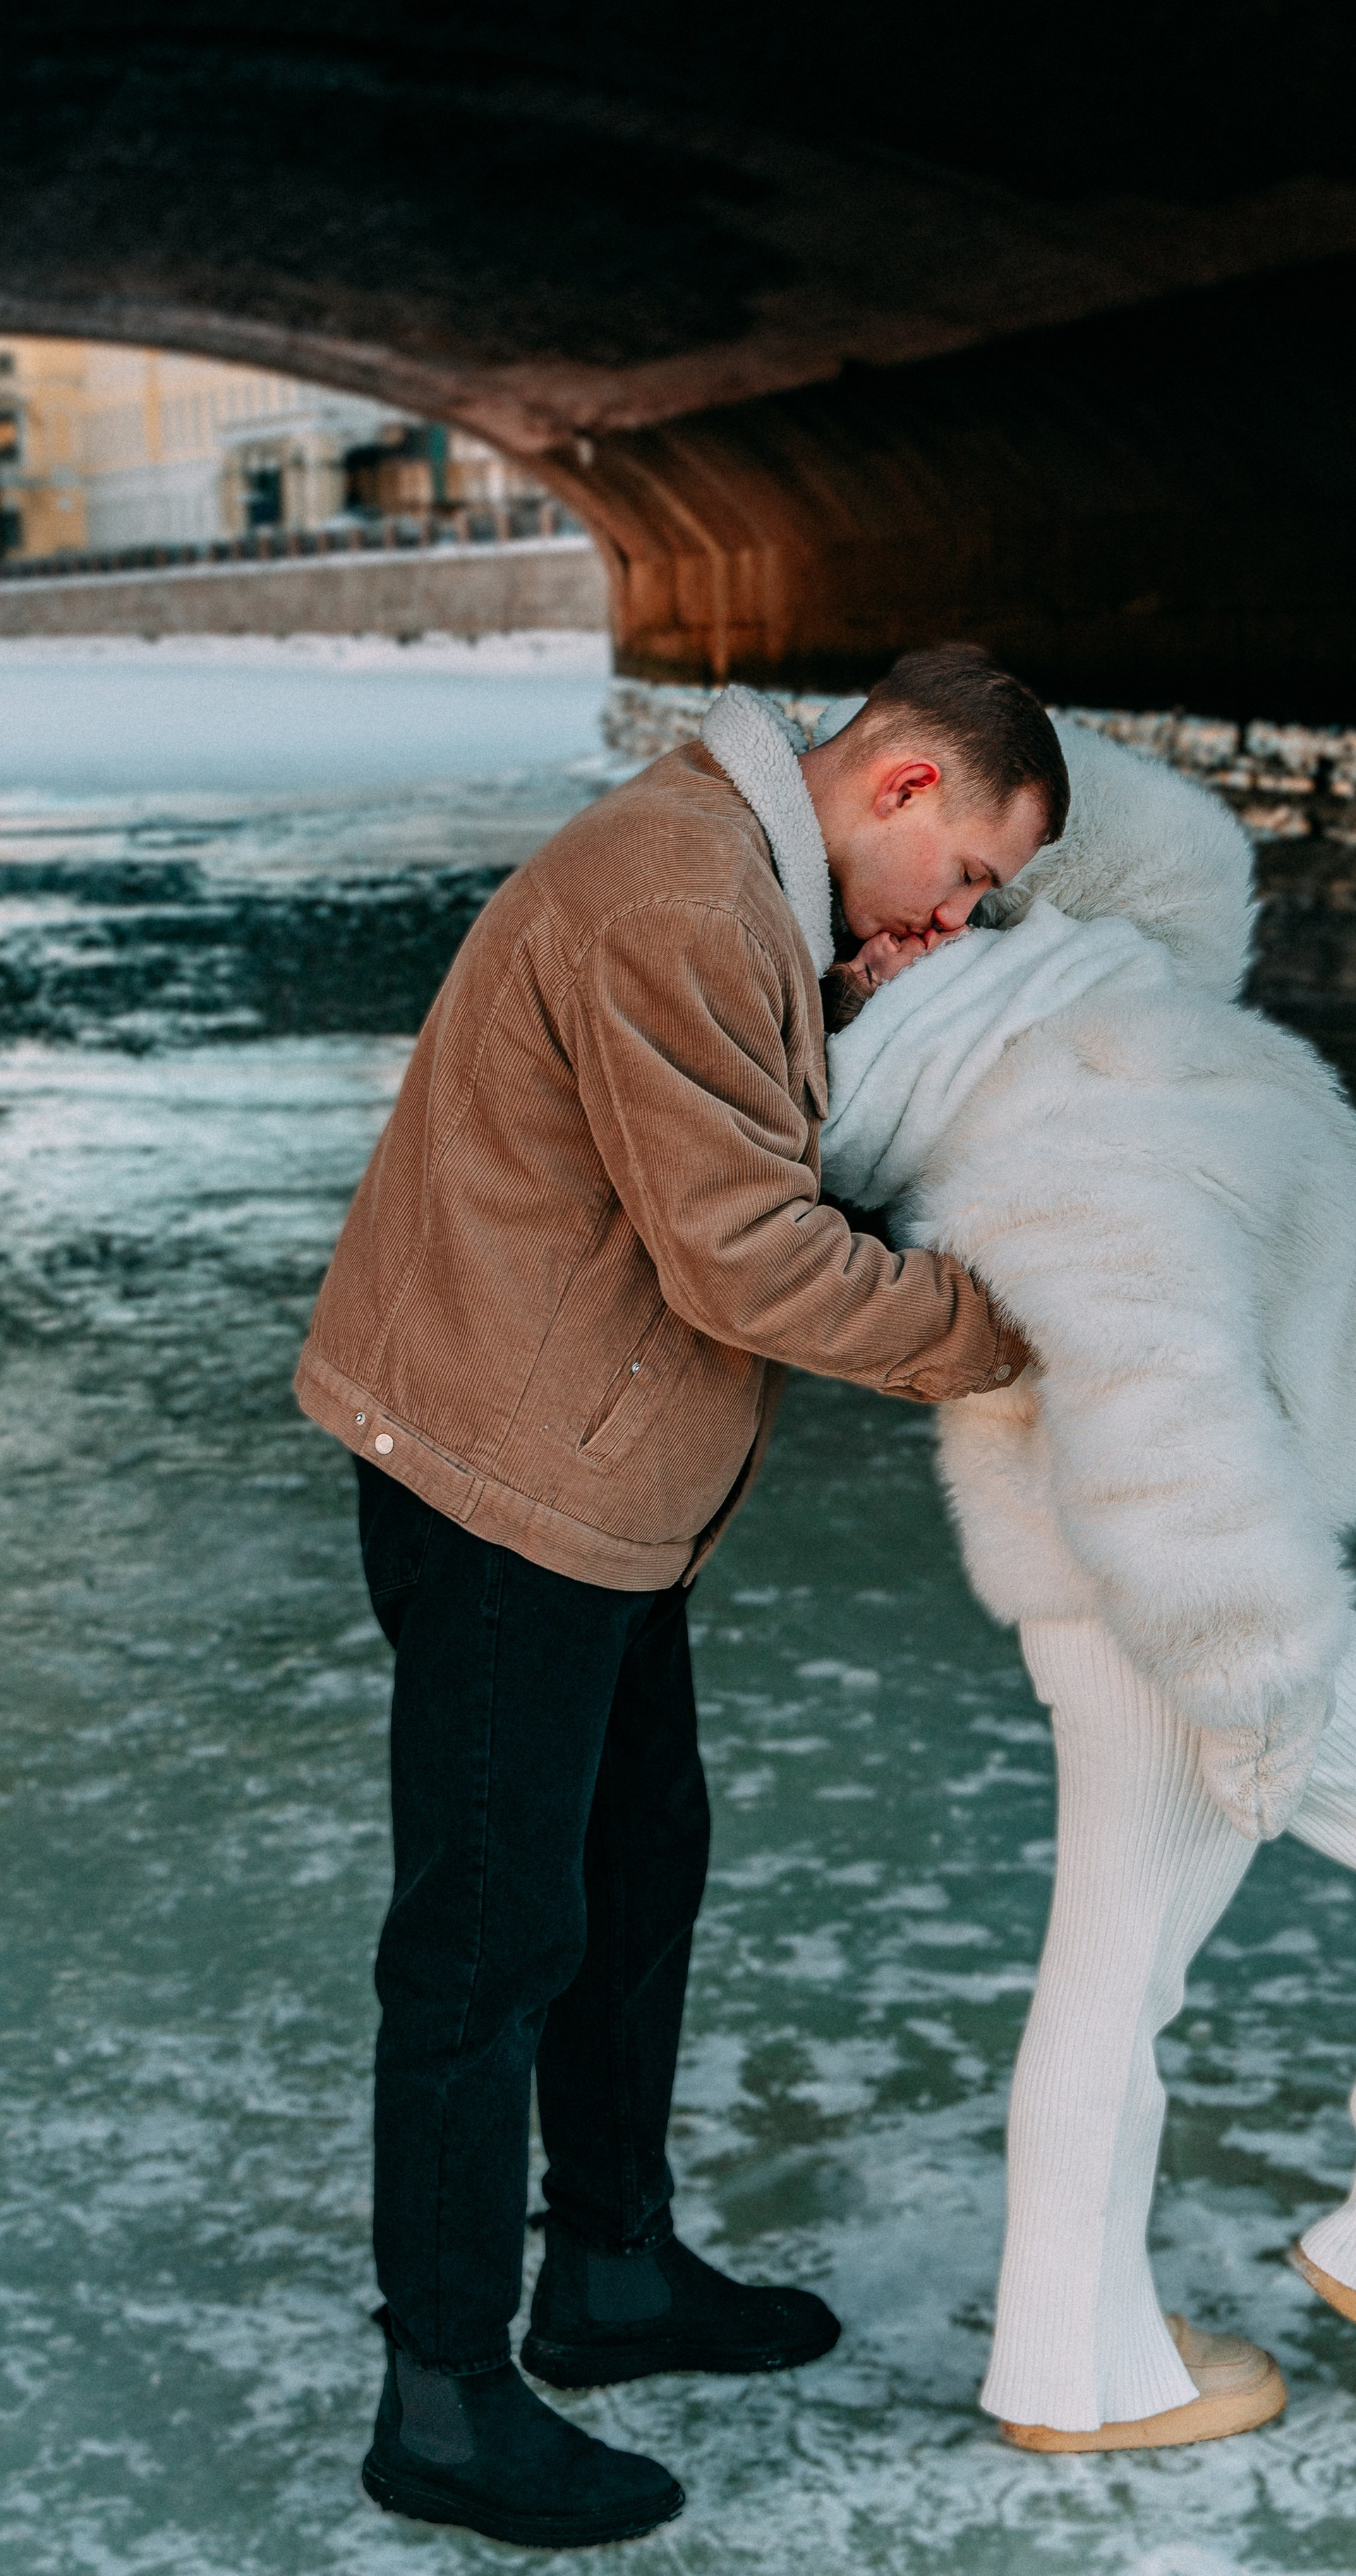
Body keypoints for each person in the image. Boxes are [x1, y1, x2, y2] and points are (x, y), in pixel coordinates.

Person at [293, 647, 1065, 2548]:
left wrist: (836, 996)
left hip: (594, 1472)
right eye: (964, 876)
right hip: (498, 1475)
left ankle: (614, 2271)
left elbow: (701, 1105)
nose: (959, 917)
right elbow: (745, 1258)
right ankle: (447, 2395)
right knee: (486, 1936)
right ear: (894, 789)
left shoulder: (741, 898)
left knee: (639, 1863)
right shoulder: (676, 891)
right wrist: (1034, 1325)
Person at [819, 712, 1356, 2453]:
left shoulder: (1059, 994)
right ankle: (1103, 2362)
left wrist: (912, 789)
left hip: (1154, 1580)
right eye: (912, 912)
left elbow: (1154, 864)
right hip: (1159, 1592)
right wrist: (1248, 1661)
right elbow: (1156, 1409)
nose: (947, 911)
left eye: (977, 883)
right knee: (1162, 1950)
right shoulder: (1058, 1095)